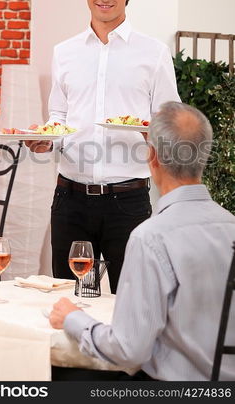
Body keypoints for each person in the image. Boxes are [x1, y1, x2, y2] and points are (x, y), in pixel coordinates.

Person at [26, 0, 180, 293]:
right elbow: (60, 117)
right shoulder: (64, 52)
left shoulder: (153, 53)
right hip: (70, 200)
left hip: (127, 202)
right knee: (68, 303)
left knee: (133, 302)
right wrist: (46, 139)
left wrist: (152, 134)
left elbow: (171, 122)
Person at [49, 101, 235, 381]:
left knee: (57, 373)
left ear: (153, 157)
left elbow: (128, 350)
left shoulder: (150, 237)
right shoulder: (230, 226)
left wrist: (74, 319)